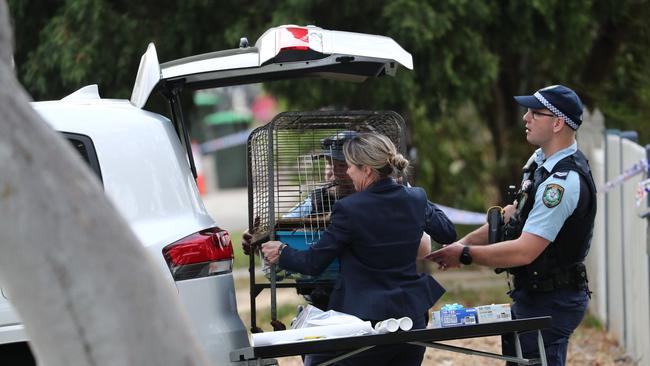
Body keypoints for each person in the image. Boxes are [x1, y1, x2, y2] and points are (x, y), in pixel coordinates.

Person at [427, 85, 596, 366]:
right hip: (534, 296)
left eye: (534, 112)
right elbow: (510, 215)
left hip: (552, 301)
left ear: (557, 123)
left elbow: (523, 251)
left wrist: (465, 256)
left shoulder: (561, 183)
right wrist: (461, 244)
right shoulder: (539, 163)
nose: (525, 118)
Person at [262, 133, 456, 366]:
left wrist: (282, 252)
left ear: (367, 170)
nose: (348, 172)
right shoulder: (415, 197)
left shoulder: (348, 209)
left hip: (364, 322)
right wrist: (412, 193)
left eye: (351, 166)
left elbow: (313, 263)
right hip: (412, 318)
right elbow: (447, 232)